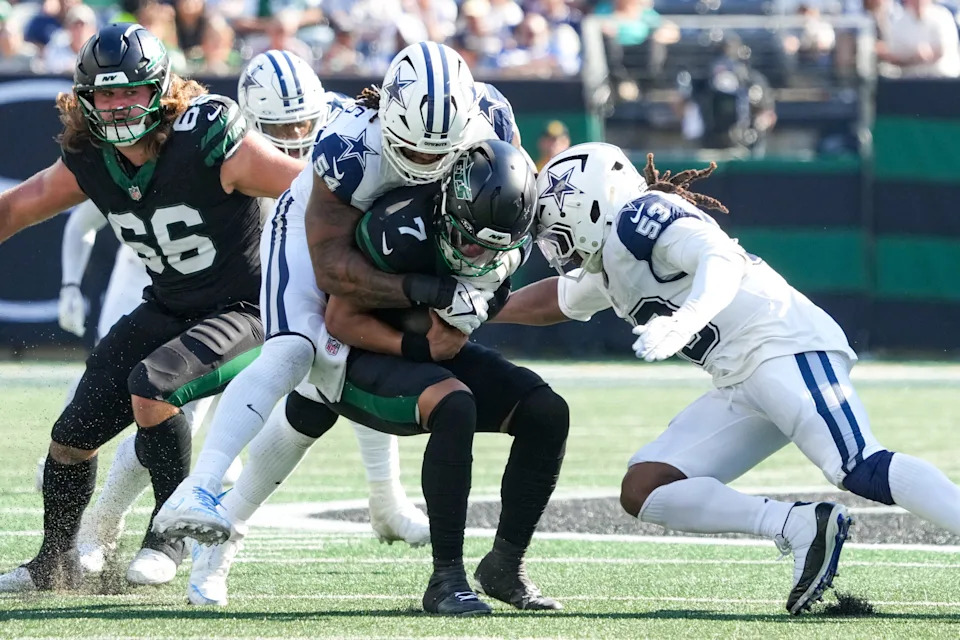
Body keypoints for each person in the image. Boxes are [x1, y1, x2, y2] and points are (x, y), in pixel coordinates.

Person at [491, 142, 960, 614]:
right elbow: (559, 299)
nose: (553, 243)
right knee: (646, 487)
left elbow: (721, 259)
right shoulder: (610, 261)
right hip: (740, 378)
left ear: (591, 202)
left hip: (783, 344)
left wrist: (687, 316)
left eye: (555, 226)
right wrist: (477, 310)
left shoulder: (641, 218)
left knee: (859, 465)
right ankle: (800, 527)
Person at [156, 40, 523, 552]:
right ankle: (199, 488)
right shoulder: (349, 146)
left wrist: (488, 282)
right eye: (414, 148)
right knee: (296, 350)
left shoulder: (494, 124)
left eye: (442, 152)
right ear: (388, 117)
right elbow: (331, 270)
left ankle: (237, 530)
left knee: (321, 390)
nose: (427, 162)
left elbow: (517, 214)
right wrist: (426, 290)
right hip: (318, 232)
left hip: (403, 231)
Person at [187, 140, 569, 615]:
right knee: (451, 404)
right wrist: (419, 343)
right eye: (470, 237)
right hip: (352, 348)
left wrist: (468, 315)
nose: (476, 252)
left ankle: (505, 566)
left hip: (426, 347)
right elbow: (342, 317)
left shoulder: (506, 239)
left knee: (546, 412)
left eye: (493, 245)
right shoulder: (399, 225)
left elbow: (492, 295)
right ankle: (446, 579)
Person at [0, 23, 303, 592]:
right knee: (71, 434)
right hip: (168, 304)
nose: (117, 107)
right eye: (105, 95)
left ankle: (168, 537)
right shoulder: (91, 155)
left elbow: (308, 193)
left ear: (159, 91)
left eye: (130, 92)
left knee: (153, 387)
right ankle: (53, 564)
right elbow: (17, 208)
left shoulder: (209, 140)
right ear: (86, 100)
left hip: (248, 310)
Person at [47, 199, 234, 586]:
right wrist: (69, 283)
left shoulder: (254, 167)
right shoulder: (131, 163)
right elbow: (80, 217)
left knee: (174, 412)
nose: (291, 134)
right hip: (139, 288)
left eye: (298, 130)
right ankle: (85, 536)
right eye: (281, 130)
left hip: (216, 305)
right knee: (98, 406)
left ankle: (107, 525)